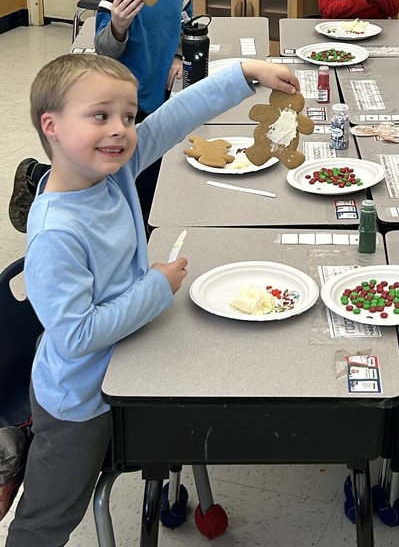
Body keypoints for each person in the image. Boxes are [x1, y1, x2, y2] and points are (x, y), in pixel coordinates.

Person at [5, 53, 299, 547]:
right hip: (81, 399)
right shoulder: (56, 232)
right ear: (51, 126)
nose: (120, 129)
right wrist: (156, 287)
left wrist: (247, 73)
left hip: (135, 359)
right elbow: (76, 336)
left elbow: (175, 116)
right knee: (50, 516)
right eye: (100, 116)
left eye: (126, 115)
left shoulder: (111, 171)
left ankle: (188, 491)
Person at [8, 0, 191, 234]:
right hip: (122, 101)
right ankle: (37, 176)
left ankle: (143, 226)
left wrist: (178, 54)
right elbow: (105, 51)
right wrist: (120, 25)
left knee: (145, 168)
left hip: (158, 93)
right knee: (104, 168)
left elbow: (184, 20)